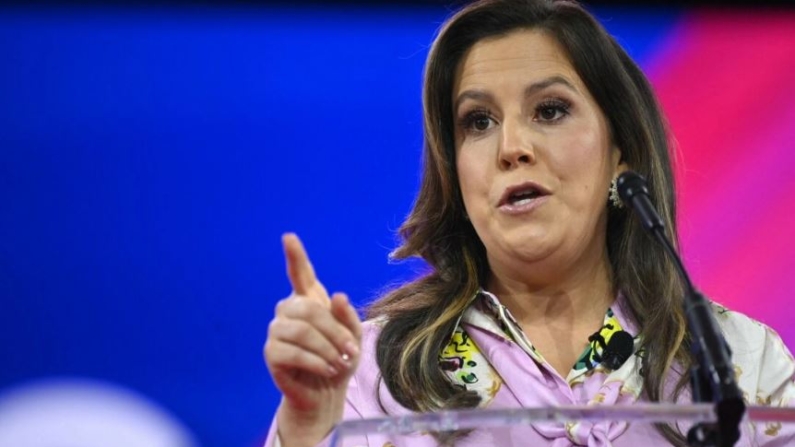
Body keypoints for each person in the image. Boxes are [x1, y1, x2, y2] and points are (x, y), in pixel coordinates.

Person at [262, 1, 795, 446]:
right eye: (478, 122)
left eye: (549, 110)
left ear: (621, 153)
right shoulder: (379, 374)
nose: (512, 148)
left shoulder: (742, 365)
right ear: (454, 171)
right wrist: (305, 427)